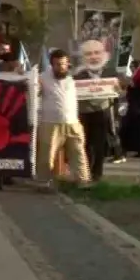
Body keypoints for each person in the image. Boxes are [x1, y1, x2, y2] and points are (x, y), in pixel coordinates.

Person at [36, 49, 91, 186]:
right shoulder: (42, 78)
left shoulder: (74, 77)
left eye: (63, 64)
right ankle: (43, 182)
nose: (61, 67)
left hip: (72, 122)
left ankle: (83, 181)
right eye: (57, 64)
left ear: (68, 64)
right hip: (50, 123)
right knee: (46, 155)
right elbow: (32, 91)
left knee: (78, 153)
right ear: (51, 65)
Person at [73, 50, 111, 183]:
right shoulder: (78, 75)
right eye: (90, 56)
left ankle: (97, 173)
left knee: (99, 144)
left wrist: (120, 86)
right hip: (84, 113)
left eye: (97, 56)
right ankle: (85, 172)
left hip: (102, 112)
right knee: (85, 144)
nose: (94, 59)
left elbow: (123, 87)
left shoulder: (109, 73)